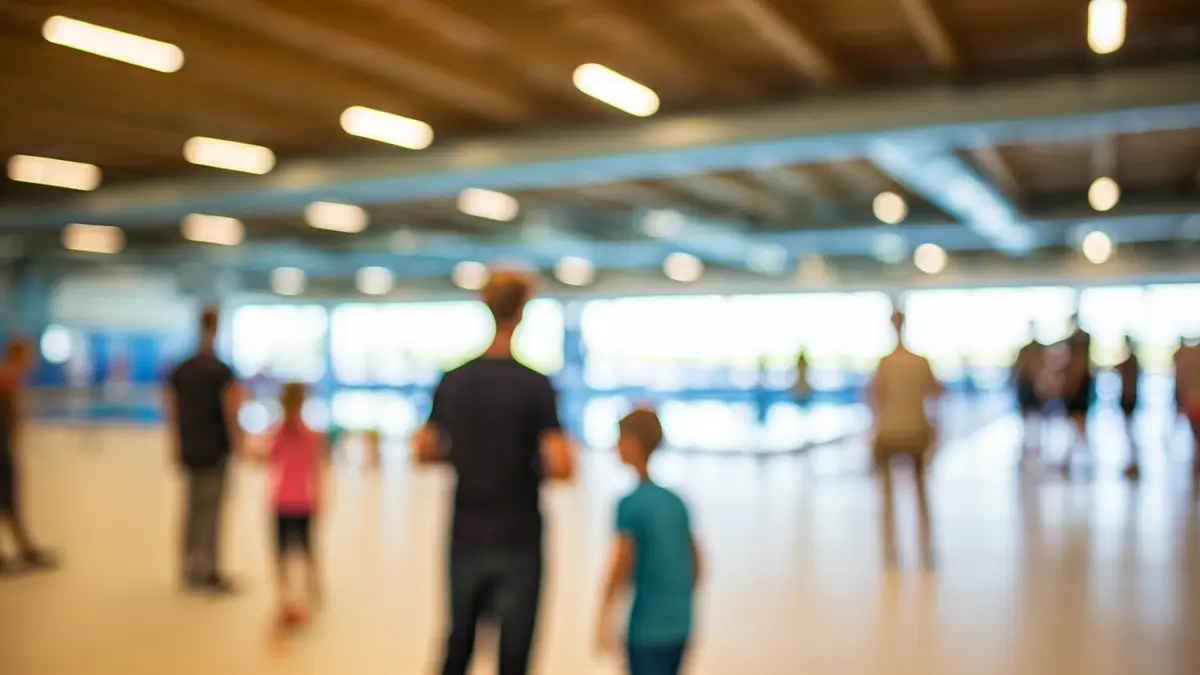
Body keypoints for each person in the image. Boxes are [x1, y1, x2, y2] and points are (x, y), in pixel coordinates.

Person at [412, 270, 577, 675]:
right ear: (521, 313)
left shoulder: (453, 380)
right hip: (520, 537)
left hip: (465, 534)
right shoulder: (536, 386)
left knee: (459, 641)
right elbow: (562, 464)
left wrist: (466, 457)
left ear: (486, 307)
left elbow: (424, 450)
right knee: (515, 653)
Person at [596, 408, 701, 675]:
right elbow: (697, 564)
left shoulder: (629, 505)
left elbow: (621, 565)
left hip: (646, 629)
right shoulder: (676, 502)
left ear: (631, 444)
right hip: (680, 624)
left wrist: (604, 617)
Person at [165, 307, 242, 594]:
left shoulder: (182, 370)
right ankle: (207, 569)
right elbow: (231, 411)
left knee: (191, 510)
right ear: (217, 327)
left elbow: (171, 410)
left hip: (190, 448)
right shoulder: (222, 371)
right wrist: (239, 445)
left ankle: (188, 567)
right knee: (211, 511)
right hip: (215, 450)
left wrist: (175, 444)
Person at [869, 311, 942, 569]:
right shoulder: (919, 362)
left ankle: (891, 547)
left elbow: (875, 398)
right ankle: (925, 543)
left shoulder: (886, 363)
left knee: (887, 492)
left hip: (890, 431)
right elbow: (936, 393)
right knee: (921, 490)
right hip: (915, 430)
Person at [253, 382, 327, 632]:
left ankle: (286, 598)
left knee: (282, 555)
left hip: (282, 501)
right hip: (302, 501)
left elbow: (263, 459)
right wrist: (320, 498)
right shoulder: (311, 435)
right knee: (306, 551)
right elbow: (317, 469)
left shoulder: (277, 433)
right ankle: (310, 592)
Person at [0, 337, 57, 573]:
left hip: (5, 450)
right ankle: (25, 549)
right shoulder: (7, 379)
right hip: (2, 451)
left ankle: (25, 548)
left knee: (11, 503)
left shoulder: (10, 378)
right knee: (10, 501)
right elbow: (12, 419)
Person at [1059, 315, 1093, 473]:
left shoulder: (1082, 343)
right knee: (1075, 428)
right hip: (1075, 391)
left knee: (1080, 427)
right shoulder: (1074, 343)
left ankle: (1079, 459)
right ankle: (1070, 458)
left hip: (1079, 391)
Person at [1013, 324, 1045, 464]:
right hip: (1026, 386)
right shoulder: (1026, 350)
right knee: (1026, 417)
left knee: (1036, 417)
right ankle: (1027, 445)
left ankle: (1035, 446)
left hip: (1033, 386)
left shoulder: (1039, 350)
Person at [1116, 335, 1141, 479]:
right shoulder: (1129, 362)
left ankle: (1134, 463)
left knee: (1130, 432)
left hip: (1129, 399)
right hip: (1128, 399)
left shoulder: (1131, 363)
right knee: (1128, 432)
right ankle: (1132, 463)